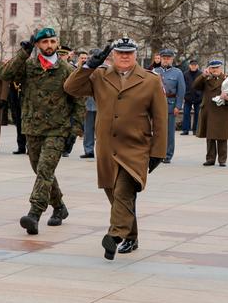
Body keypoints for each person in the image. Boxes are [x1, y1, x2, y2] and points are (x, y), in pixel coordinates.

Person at [64, 37, 167, 260]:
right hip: (107, 148)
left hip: (135, 147)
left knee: (123, 191)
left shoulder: (150, 80)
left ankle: (115, 235)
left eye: (128, 53)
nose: (124, 57)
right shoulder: (100, 75)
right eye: (120, 53)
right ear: (113, 55)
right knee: (118, 196)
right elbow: (71, 87)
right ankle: (132, 237)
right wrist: (90, 64)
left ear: (136, 55)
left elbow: (160, 119)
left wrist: (158, 151)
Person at [0, 27, 85, 235]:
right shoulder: (28, 65)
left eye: (53, 42)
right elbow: (5, 74)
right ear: (37, 45)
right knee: (41, 171)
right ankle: (59, 207)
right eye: (44, 42)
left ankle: (34, 213)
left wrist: (75, 129)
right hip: (32, 128)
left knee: (45, 170)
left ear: (57, 43)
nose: (49, 46)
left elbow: (79, 99)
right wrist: (23, 52)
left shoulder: (66, 69)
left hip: (57, 129)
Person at [192, 60, 228, 166]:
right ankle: (210, 159)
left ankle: (222, 160)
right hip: (209, 110)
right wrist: (203, 76)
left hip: (222, 111)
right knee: (210, 136)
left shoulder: (227, 79)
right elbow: (195, 86)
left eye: (217, 68)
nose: (215, 70)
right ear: (209, 69)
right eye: (212, 68)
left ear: (221, 69)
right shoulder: (206, 79)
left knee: (222, 137)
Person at [153, 48, 185, 164]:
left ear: (172, 59)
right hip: (156, 105)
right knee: (157, 131)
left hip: (170, 105)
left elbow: (181, 91)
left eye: (168, 58)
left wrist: (178, 106)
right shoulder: (155, 71)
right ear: (160, 58)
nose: (166, 60)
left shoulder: (178, 73)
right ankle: (157, 153)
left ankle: (168, 154)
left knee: (169, 132)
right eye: (164, 58)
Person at [80, 49, 100, 159]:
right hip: (87, 103)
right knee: (88, 129)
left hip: (100, 103)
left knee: (101, 129)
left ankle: (102, 150)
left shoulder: (103, 69)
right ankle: (89, 150)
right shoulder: (85, 68)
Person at [181, 60, 202, 135]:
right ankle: (185, 130)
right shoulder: (185, 74)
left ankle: (195, 130)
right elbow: (182, 85)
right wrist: (184, 95)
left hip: (198, 97)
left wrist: (200, 94)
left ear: (197, 66)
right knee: (186, 113)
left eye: (195, 65)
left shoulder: (201, 74)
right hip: (188, 97)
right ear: (189, 66)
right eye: (192, 65)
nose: (193, 66)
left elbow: (203, 85)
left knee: (197, 114)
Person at [8, 81, 26, 154]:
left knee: (28, 125)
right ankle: (21, 147)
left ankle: (30, 147)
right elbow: (12, 90)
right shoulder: (14, 78)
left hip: (27, 103)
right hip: (17, 102)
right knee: (19, 125)